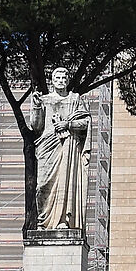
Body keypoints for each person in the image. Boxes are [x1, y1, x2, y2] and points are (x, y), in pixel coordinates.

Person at [28, 66, 89, 231]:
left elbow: (85, 123)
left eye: (64, 78)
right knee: (42, 185)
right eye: (58, 78)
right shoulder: (45, 100)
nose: (61, 81)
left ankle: (62, 220)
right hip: (47, 146)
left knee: (64, 184)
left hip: (68, 147)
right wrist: (36, 106)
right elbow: (36, 126)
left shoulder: (75, 99)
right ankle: (43, 222)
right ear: (52, 81)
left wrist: (68, 124)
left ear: (68, 80)